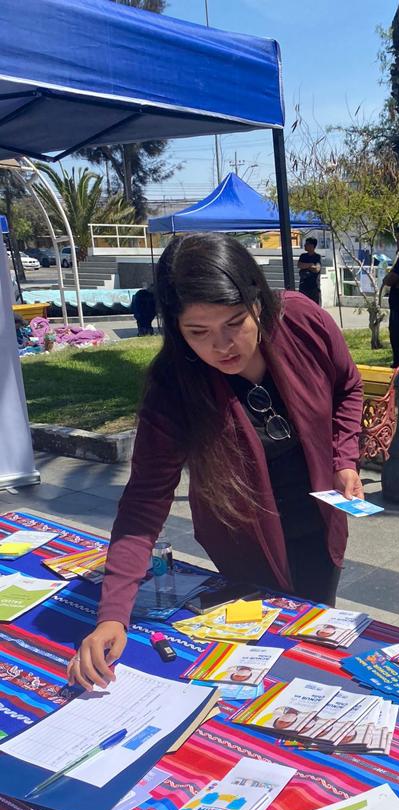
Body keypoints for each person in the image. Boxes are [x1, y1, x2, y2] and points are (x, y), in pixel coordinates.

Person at [69, 233, 364, 691]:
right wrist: (113, 616)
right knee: (261, 662)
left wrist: (344, 458)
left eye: (234, 322)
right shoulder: (173, 387)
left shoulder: (302, 320)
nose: (222, 346)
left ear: (257, 301)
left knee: (313, 649)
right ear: (176, 329)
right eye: (198, 332)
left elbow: (348, 386)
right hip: (243, 544)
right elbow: (145, 500)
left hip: (320, 526)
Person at [382, 225, 399, 368]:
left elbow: (390, 280)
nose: (397, 242)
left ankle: (398, 365)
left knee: (398, 336)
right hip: (397, 305)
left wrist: (388, 277)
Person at [297, 237, 322, 305]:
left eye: (307, 244)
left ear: (312, 246)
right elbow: (299, 265)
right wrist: (310, 265)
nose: (305, 245)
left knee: (315, 306)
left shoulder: (317, 256)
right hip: (303, 287)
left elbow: (317, 269)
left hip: (313, 287)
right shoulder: (303, 256)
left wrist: (305, 266)